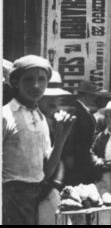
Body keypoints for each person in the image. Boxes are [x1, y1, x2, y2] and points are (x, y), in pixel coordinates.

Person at [2, 55, 74, 225]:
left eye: (41, 79)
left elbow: (46, 171)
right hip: (9, 198)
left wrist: (61, 139)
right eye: (28, 80)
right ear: (16, 82)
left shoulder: (40, 118)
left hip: (34, 196)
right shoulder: (5, 116)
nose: (36, 86)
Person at [36, 70, 73, 225]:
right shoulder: (34, 123)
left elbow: (61, 157)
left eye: (56, 97)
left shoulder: (52, 121)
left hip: (50, 190)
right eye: (47, 97)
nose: (53, 103)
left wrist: (58, 182)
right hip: (37, 194)